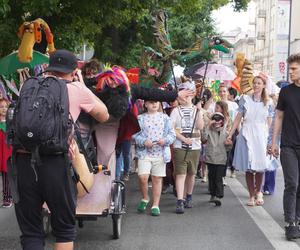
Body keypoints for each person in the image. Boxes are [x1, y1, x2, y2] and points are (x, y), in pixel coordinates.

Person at [14, 50, 109, 250]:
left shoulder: (28, 85)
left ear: (49, 67)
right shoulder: (76, 89)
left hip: (23, 161)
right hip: (56, 162)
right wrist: (82, 85)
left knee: (31, 231)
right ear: (74, 71)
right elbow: (104, 115)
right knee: (64, 229)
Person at [227, 76, 273, 207]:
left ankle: (259, 192)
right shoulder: (245, 99)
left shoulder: (268, 102)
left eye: (259, 83)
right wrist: (230, 134)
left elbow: (270, 121)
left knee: (260, 167)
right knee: (248, 167)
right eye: (255, 83)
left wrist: (269, 139)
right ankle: (251, 195)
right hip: (247, 134)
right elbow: (238, 118)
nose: (256, 85)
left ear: (264, 85)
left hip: (261, 135)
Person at [271, 53, 300, 240]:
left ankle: (297, 219)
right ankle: (290, 223)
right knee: (292, 183)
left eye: (294, 69)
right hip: (288, 145)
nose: (290, 72)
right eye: (290, 69)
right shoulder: (285, 91)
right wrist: (273, 141)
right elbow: (279, 117)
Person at [133, 100, 176, 216]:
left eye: (156, 102)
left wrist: (165, 140)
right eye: (151, 102)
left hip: (160, 154)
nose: (154, 104)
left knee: (157, 179)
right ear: (145, 104)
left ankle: (155, 205)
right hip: (144, 153)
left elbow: (172, 135)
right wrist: (143, 141)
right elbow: (134, 135)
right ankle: (145, 197)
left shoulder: (165, 118)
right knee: (143, 177)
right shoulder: (140, 118)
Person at [170, 82, 204, 214]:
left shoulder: (197, 110)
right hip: (179, 146)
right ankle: (180, 200)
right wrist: (183, 139)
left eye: (189, 94)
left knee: (192, 173)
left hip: (195, 146)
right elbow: (172, 129)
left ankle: (189, 195)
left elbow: (200, 127)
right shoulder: (175, 111)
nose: (186, 97)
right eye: (183, 94)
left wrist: (200, 111)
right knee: (180, 173)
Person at [202, 101, 232, 206]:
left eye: (219, 121)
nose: (217, 122)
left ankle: (218, 195)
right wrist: (208, 126)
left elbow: (229, 147)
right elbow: (203, 139)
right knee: (211, 176)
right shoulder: (209, 130)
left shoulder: (226, 132)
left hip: (221, 158)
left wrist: (229, 143)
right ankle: (213, 194)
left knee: (218, 177)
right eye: (215, 120)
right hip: (210, 157)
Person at [0, 98, 12, 208]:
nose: (4, 109)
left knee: (9, 175)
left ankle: (9, 197)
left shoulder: (11, 122)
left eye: (5, 107)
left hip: (9, 153)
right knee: (5, 176)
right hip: (1, 153)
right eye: (1, 107)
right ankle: (7, 197)